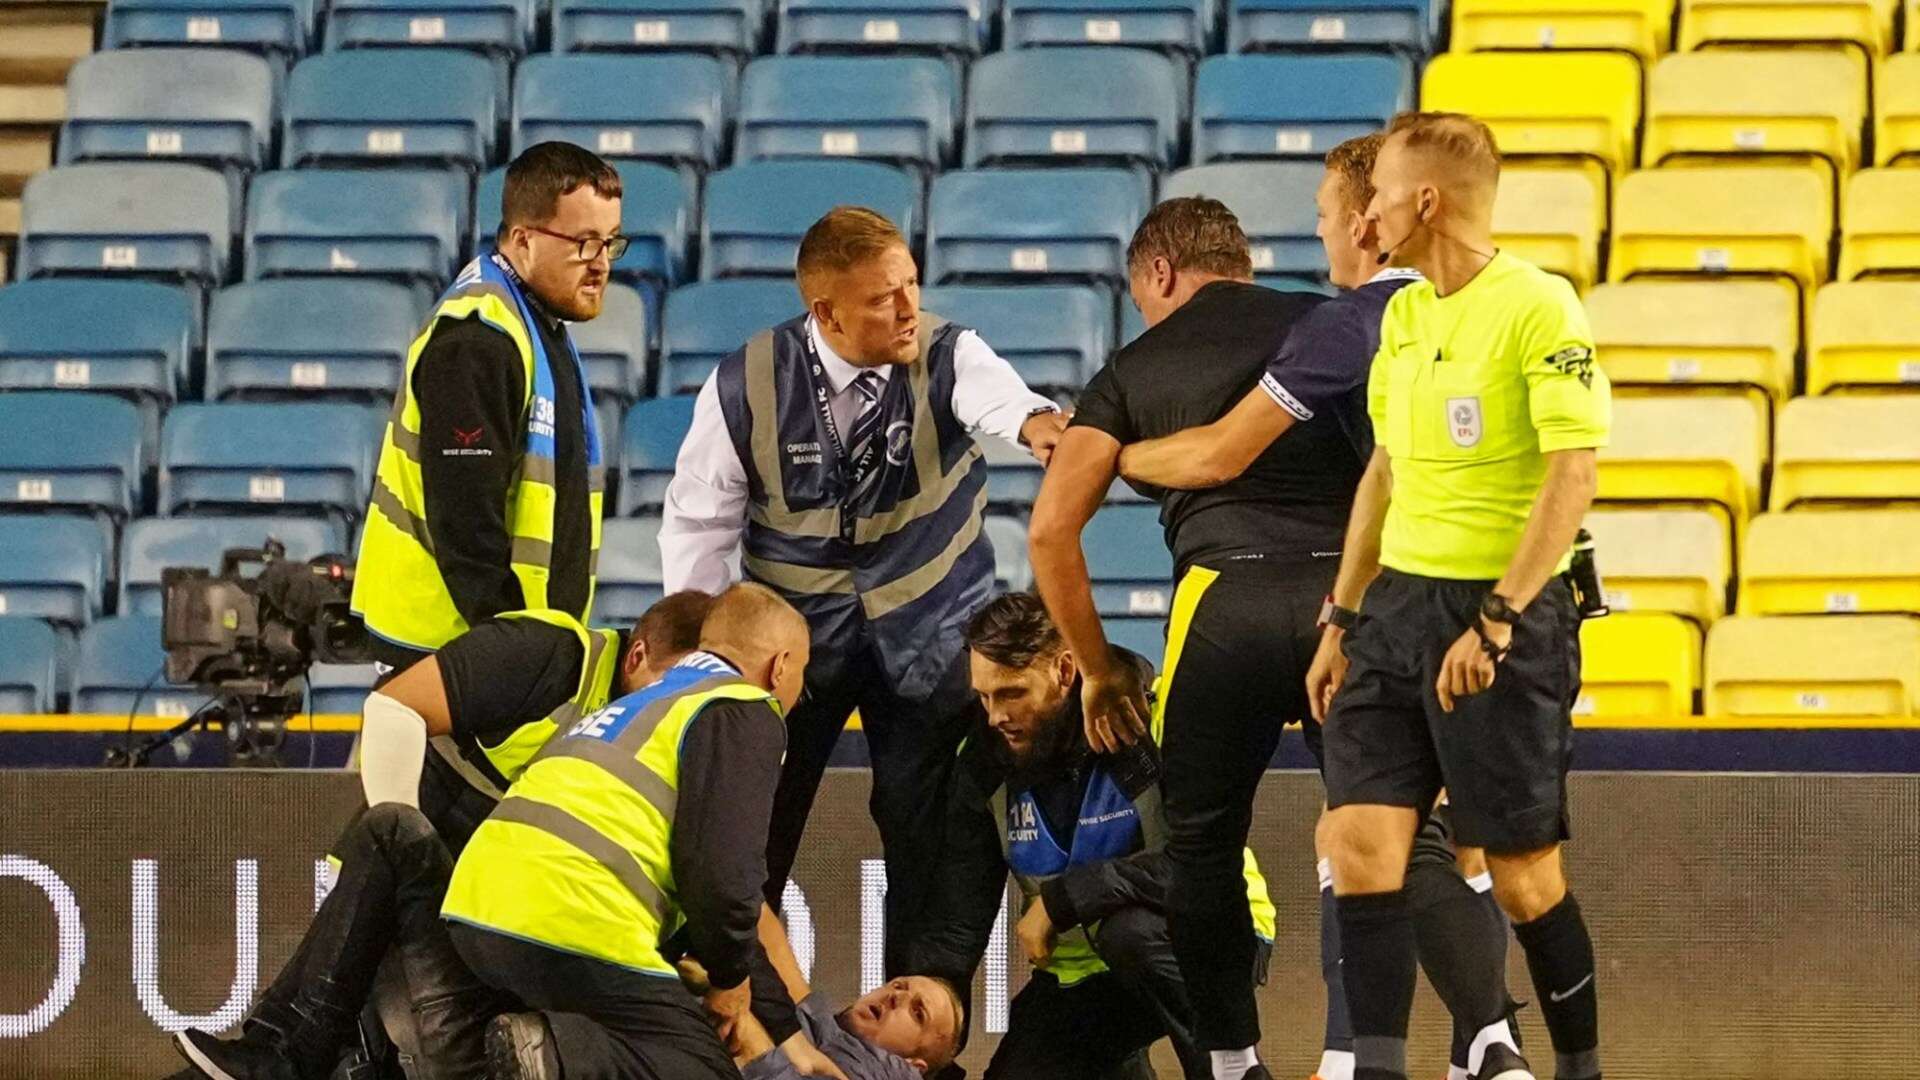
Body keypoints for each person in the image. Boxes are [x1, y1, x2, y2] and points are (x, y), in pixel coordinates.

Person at [1109, 135, 1520, 1080]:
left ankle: (1330, 1059)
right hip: (1491, 593)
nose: (1330, 232)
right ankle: (1486, 1048)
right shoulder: (1498, 302)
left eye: (1332, 216)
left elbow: (1220, 453)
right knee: (1444, 835)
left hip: (1384, 594)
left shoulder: (1345, 326)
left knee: (1355, 831)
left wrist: (1108, 452)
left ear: (1374, 220)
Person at [659, 206, 1069, 973]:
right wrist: (707, 664)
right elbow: (697, 527)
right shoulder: (742, 384)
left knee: (924, 836)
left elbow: (1006, 402)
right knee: (752, 834)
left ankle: (912, 1037)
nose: (910, 307)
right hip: (792, 651)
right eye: (885, 297)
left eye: (911, 283)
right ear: (827, 312)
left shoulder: (951, 353)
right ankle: (738, 1018)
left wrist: (1039, 425)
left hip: (934, 632)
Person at [1314, 112, 1610, 1080]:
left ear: (1426, 201)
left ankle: (1580, 1067)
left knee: (1524, 880)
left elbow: (1573, 474)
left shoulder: (1539, 306)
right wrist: (1342, 617)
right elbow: (1385, 476)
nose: (1366, 218)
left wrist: (1499, 617)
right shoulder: (1401, 313)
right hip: (1397, 610)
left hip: (1502, 619)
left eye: (1380, 198)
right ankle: (1379, 1067)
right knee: (1358, 838)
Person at [1029, 196, 1332, 1080]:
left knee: (1200, 848)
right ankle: (1385, 1049)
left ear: (1158, 273)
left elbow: (1050, 532)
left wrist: (1097, 673)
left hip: (1221, 600)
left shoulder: (1133, 366)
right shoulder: (1330, 327)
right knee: (1381, 830)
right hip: (1343, 603)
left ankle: (1231, 1060)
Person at [167, 594, 717, 1080]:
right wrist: (407, 886)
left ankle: (286, 1054)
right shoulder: (547, 654)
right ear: (638, 656)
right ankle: (286, 1052)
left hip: (495, 977)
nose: (675, 705)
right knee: (393, 832)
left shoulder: (684, 749)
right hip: (416, 913)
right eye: (672, 686)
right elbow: (390, 710)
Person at [349, 140, 624, 848]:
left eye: (611, 242)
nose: (600, 263)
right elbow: (465, 527)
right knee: (418, 881)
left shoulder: (535, 324)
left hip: (487, 656)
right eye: (583, 242)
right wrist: (514, 667)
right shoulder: (479, 337)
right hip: (447, 658)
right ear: (524, 237)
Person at [442, 583, 833, 1080]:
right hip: (570, 917)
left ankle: (545, 1049)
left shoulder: (651, 699)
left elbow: (706, 892)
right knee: (702, 1068)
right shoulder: (745, 706)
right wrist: (730, 980)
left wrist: (788, 1035)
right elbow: (720, 877)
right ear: (780, 668)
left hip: (474, 907)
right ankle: (557, 1054)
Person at [909, 593, 1278, 1080]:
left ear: (1064, 671)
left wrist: (1064, 900)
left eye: (1012, 693)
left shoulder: (1161, 715)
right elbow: (961, 916)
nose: (995, 715)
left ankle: (1233, 1073)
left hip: (1211, 931)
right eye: (984, 696)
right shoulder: (981, 762)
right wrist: (933, 1006)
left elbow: (1200, 865)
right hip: (1085, 973)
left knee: (1132, 937)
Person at [679, 906, 964, 1080]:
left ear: (915, 1066)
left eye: (917, 1013)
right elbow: (779, 955)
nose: (896, 996)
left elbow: (769, 1065)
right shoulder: (826, 1030)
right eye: (899, 985)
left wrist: (721, 984)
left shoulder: (881, 1074)